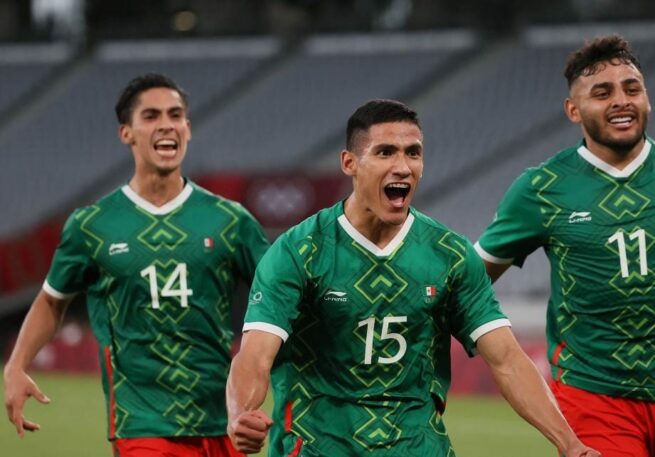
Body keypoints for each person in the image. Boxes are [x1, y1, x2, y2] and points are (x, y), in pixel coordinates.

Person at [225, 99, 600, 457]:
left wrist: (569, 443)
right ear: (349, 163)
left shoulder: (449, 255)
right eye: (385, 152)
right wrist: (241, 413)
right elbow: (255, 355)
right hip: (318, 448)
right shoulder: (299, 251)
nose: (403, 166)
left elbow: (507, 359)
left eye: (413, 153)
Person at [475, 35, 655, 457]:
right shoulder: (542, 188)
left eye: (632, 88)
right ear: (573, 110)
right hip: (592, 394)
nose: (621, 101)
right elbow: (470, 278)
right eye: (602, 93)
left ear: (647, 98)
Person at [3, 73, 270, 456]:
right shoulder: (92, 226)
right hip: (142, 425)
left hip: (222, 421)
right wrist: (16, 366)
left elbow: (276, 296)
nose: (166, 124)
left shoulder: (231, 221)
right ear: (126, 133)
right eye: (151, 115)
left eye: (175, 115)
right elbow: (52, 300)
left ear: (188, 128)